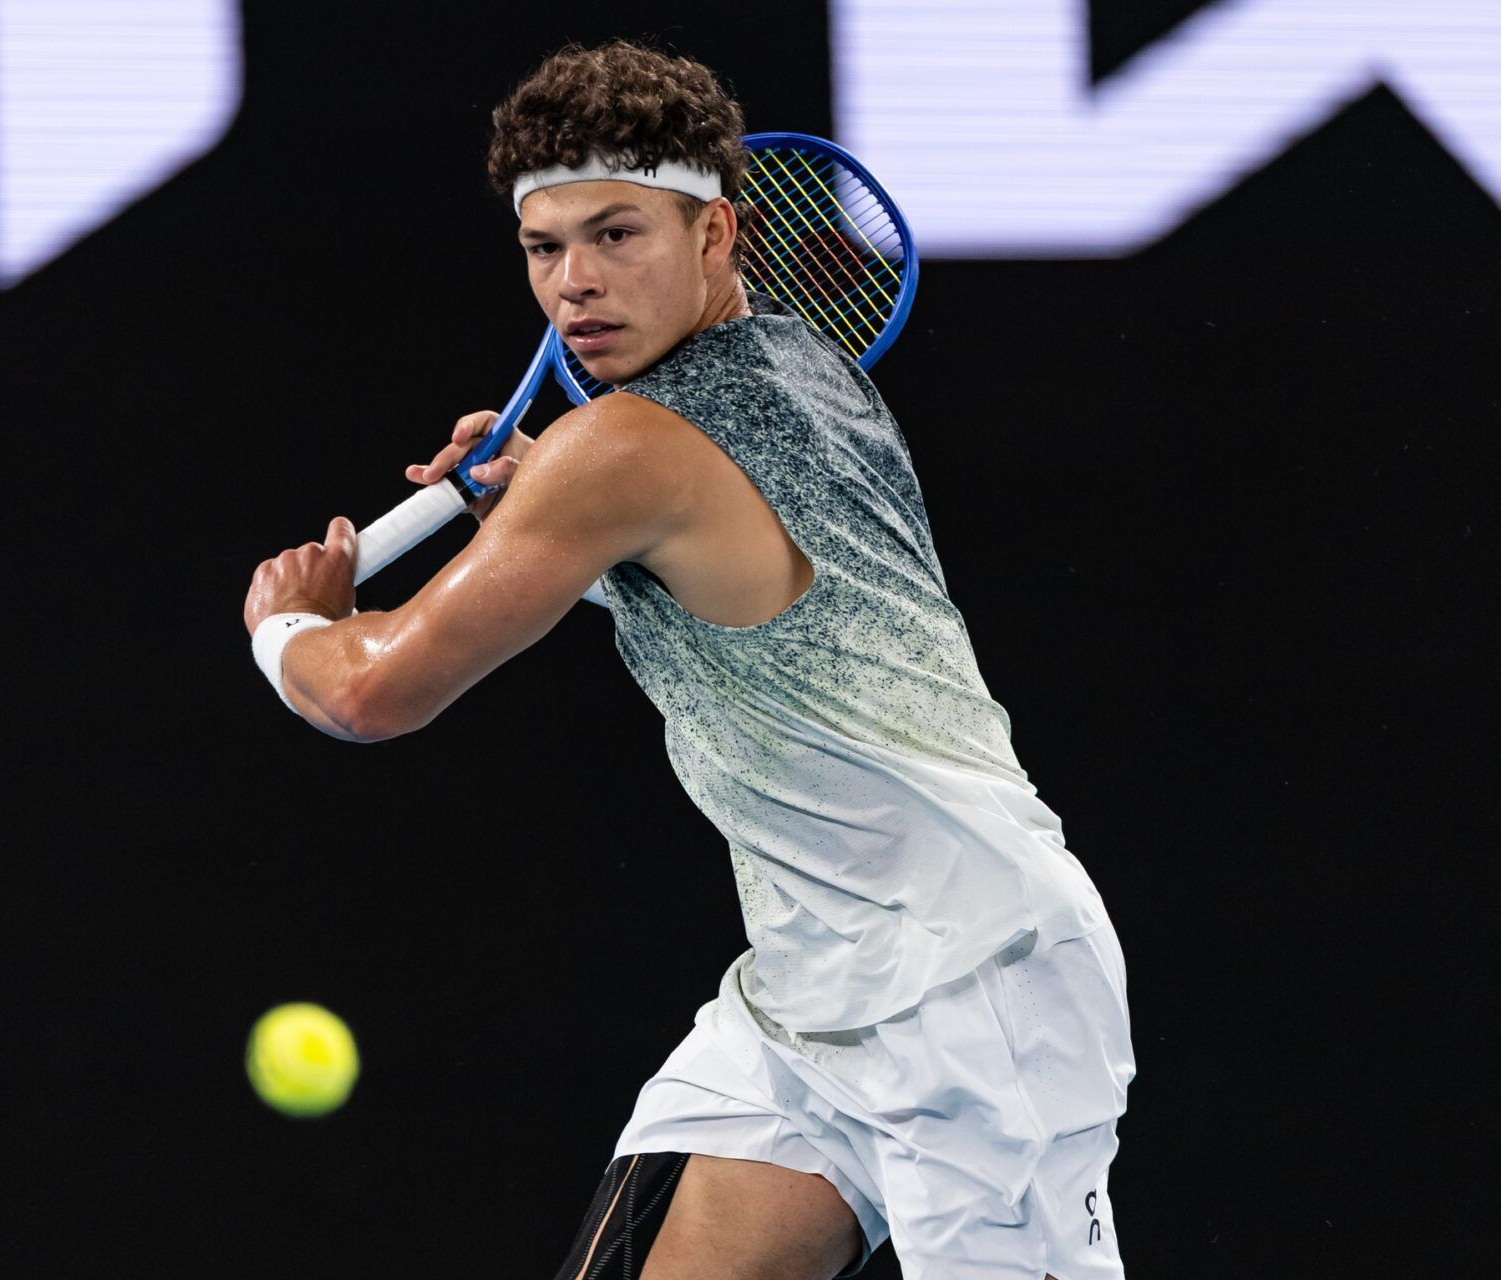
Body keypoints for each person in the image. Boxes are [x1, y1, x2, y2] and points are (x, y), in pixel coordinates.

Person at [243, 40, 1134, 1280]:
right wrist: (550, 513)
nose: (575, 285)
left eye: (618, 236)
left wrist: (288, 622)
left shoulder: (618, 451)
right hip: (811, 998)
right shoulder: (801, 368)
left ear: (718, 233)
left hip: (976, 992)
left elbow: (369, 690)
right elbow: (717, 563)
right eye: (545, 247)